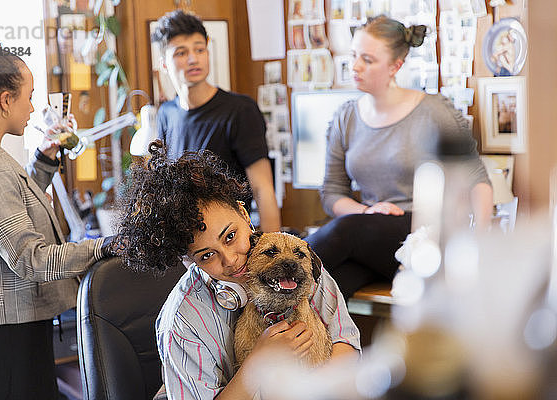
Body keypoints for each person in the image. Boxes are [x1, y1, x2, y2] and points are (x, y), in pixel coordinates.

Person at [114, 141, 360, 400]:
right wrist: (257, 364)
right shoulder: (182, 323)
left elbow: (348, 345)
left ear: (244, 214)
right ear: (189, 261)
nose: (231, 260)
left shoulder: (295, 266)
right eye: (207, 255)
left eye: (230, 236)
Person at [0, 42, 113, 399]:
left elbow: (12, 207)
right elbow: (30, 258)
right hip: (6, 334)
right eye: (28, 97)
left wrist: (44, 160)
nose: (32, 108)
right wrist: (101, 248)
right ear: (4, 100)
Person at [305, 16, 493, 298]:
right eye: (354, 56)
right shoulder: (346, 116)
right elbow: (332, 192)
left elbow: (478, 181)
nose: (355, 66)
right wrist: (367, 212)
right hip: (369, 236)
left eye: (367, 60)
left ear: (396, 66)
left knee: (345, 230)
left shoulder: (435, 110)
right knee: (328, 288)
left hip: (423, 233)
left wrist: (479, 246)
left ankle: (274, 265)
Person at [151, 10, 281, 232]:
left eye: (200, 49)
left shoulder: (240, 110)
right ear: (164, 63)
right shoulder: (166, 113)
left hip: (232, 239)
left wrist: (273, 254)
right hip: (187, 243)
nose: (193, 59)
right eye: (181, 53)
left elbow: (263, 188)